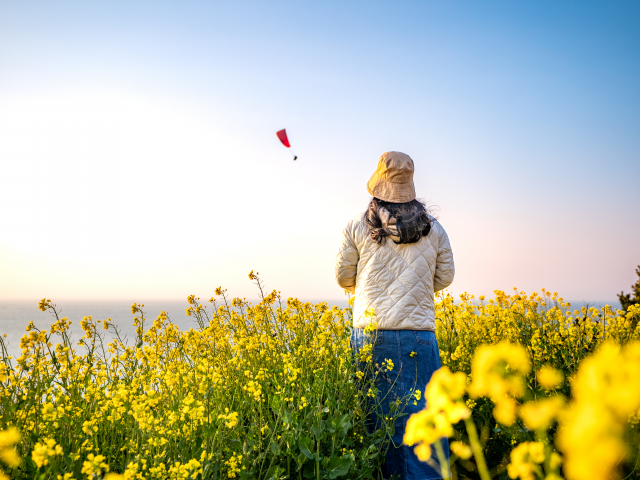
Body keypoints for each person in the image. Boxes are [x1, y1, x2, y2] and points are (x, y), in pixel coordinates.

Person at [335, 151, 455, 480]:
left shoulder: (357, 227)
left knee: (376, 425)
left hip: (370, 334)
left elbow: (344, 278)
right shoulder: (434, 229)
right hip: (418, 333)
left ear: (377, 186)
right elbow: (445, 278)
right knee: (425, 422)